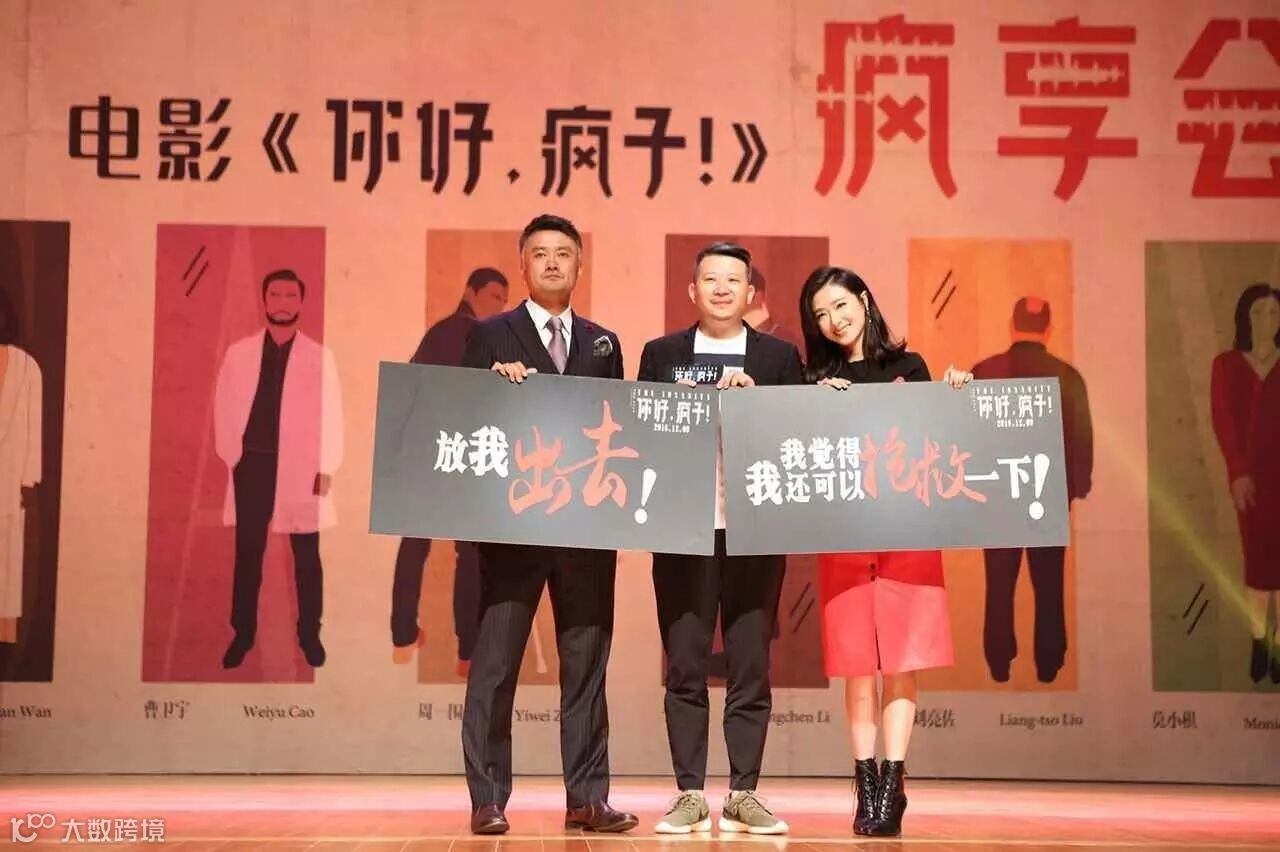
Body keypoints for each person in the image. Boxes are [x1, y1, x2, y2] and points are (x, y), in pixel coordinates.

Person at [458, 214, 636, 835]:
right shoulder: (490, 335)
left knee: (586, 668)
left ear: (580, 265)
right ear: (523, 265)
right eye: (541, 253)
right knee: (496, 667)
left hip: (586, 533)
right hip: (513, 531)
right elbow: (462, 423)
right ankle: (488, 799)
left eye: (564, 253)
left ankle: (587, 798)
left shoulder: (604, 343)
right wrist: (492, 388)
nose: (553, 262)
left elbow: (617, 430)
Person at [798, 265, 969, 837]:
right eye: (821, 314)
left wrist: (954, 393)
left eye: (840, 305)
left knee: (901, 662)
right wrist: (817, 405)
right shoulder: (816, 380)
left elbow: (940, 441)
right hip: (845, 540)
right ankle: (865, 785)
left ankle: (893, 786)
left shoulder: (909, 367)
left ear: (865, 301)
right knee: (856, 668)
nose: (833, 320)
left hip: (906, 537)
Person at [638, 242, 801, 836]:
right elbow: (641, 432)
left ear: (751, 292)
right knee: (684, 664)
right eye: (711, 279)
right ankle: (688, 793)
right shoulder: (662, 355)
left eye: (734, 279)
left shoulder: (779, 357)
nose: (723, 288)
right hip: (683, 528)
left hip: (755, 530)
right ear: (693, 290)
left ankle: (743, 793)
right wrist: (680, 410)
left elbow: (799, 434)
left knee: (750, 663)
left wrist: (758, 406)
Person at [213, 269, 343, 670]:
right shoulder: (239, 353)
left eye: (290, 295)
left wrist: (327, 466)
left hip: (302, 467)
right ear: (265, 300)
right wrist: (231, 456)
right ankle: (242, 633)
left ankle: (310, 635)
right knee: (248, 552)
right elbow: (223, 406)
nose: (283, 303)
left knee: (307, 555)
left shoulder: (320, 357)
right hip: (251, 463)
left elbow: (333, 413)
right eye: (275, 295)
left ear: (301, 302)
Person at [390, 267, 509, 671]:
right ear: (470, 292)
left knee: (414, 544)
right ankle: (468, 649)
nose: (499, 306)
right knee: (469, 552)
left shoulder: (437, 332)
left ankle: (402, 635)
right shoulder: (480, 336)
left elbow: (407, 388)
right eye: (493, 296)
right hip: (461, 455)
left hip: (424, 453)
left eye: (503, 300)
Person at [972, 297, 1093, 684]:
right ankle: (1049, 663)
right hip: (1048, 496)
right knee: (1049, 586)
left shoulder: (984, 373)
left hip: (998, 499)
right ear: (1049, 329)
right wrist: (1075, 487)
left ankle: (998, 662)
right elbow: (1082, 440)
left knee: (999, 586)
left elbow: (968, 439)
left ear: (1012, 325)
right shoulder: (1068, 377)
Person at [1210, 283, 1280, 685]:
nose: (1266, 320)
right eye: (1258, 312)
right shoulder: (1227, 365)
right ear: (1245, 316)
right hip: (1250, 481)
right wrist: (1237, 472)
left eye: (1273, 312)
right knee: (1256, 563)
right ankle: (1258, 640)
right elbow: (1224, 420)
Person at [0, 287, 41, 645]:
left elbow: (33, 432)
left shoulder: (28, 367)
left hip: (9, 491)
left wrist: (27, 479)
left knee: (7, 581)